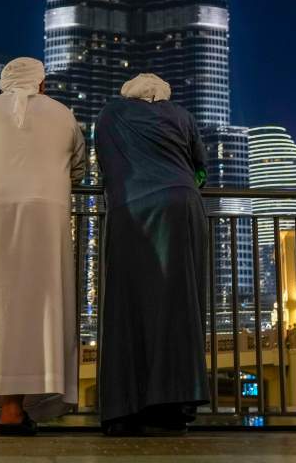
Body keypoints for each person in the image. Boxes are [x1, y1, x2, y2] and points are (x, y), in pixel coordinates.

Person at [0, 57, 86, 436]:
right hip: (45, 217)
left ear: (3, 82)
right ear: (41, 84)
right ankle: (12, 410)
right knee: (31, 307)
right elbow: (78, 167)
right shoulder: (63, 114)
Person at [95, 72, 209, 436]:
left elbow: (105, 165)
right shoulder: (181, 116)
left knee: (126, 304)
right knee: (179, 305)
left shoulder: (111, 114)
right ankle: (173, 408)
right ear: (162, 96)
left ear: (129, 95)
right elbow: (200, 170)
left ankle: (122, 411)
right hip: (181, 206)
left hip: (132, 211)